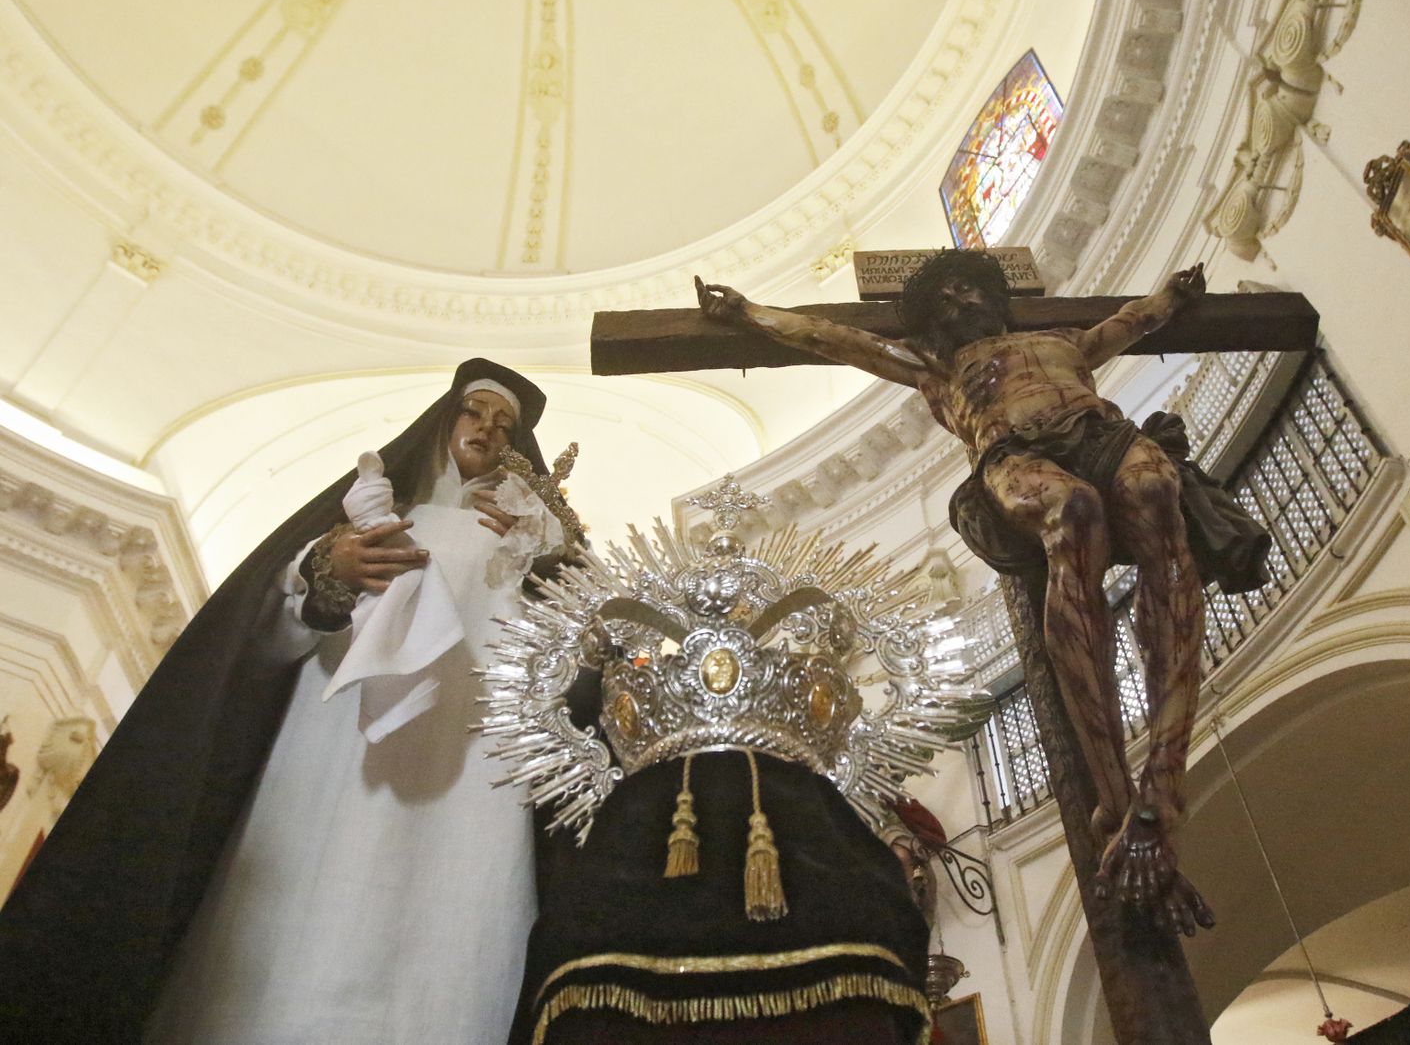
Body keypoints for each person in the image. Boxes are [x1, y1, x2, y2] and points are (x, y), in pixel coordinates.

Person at [0, 359, 581, 1043]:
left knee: (447, 948)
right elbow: (262, 646)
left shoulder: (529, 546)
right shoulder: (368, 518)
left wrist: (554, 552)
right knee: (280, 948)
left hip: (467, 789)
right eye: (475, 410)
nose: (486, 428)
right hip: (324, 766)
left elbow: (579, 663)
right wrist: (327, 573)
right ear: (441, 419)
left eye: (504, 424)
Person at [697, 253, 1268, 935]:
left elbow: (1133, 320)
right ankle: (1116, 796)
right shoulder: (937, 372)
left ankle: (1163, 783)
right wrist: (751, 313)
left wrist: (1171, 296)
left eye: (971, 286)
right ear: (933, 323)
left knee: (1155, 491)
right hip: (1012, 455)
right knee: (1073, 516)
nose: (963, 298)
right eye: (946, 298)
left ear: (998, 297)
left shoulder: (1068, 345)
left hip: (1103, 432)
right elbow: (835, 338)